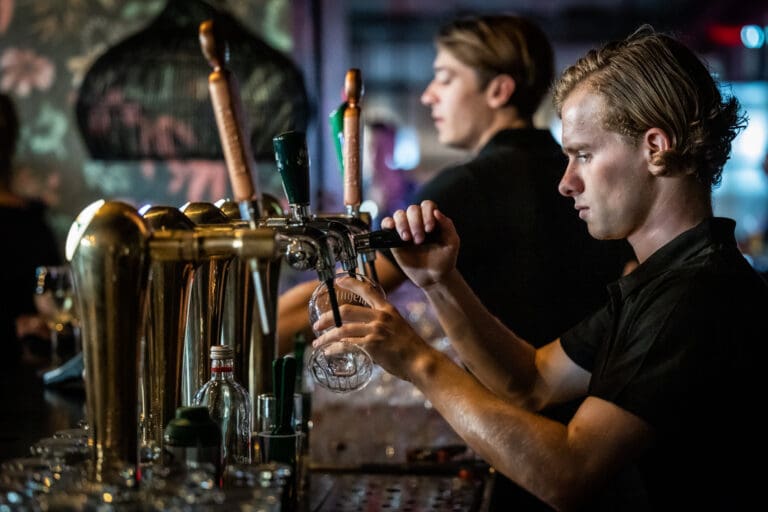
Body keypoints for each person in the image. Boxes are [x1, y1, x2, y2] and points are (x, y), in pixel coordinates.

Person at [312, 26, 766, 510]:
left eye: (584, 155)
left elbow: (568, 474)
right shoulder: (661, 280)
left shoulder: (693, 297)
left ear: (655, 148)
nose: (566, 183)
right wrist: (442, 282)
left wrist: (416, 360)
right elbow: (530, 382)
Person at [277, 14, 630, 360]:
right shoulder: (577, 177)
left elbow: (347, 296)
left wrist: (254, 336)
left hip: (511, 395)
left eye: (445, 79)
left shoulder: (469, 186)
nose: (429, 96)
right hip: (585, 382)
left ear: (498, 90)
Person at [0, 92, 61, 365]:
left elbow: (50, 303)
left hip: (25, 368)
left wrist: (43, 322)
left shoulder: (32, 222)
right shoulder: (31, 222)